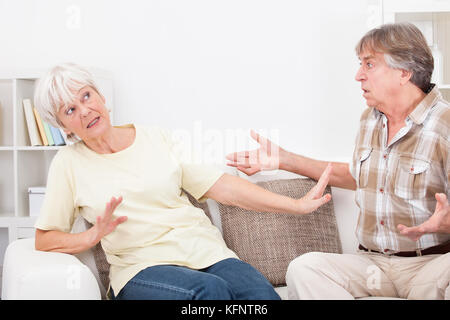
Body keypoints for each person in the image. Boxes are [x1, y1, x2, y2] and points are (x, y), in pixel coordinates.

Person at [33, 62, 333, 300]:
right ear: (63, 126)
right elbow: (44, 238)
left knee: (260, 297)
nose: (84, 110)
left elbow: (223, 187)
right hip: (142, 270)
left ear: (100, 95)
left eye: (86, 95)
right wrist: (91, 236)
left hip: (206, 253)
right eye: (70, 110)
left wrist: (296, 205)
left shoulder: (157, 138)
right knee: (210, 292)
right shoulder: (68, 164)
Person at [227, 23, 450, 300]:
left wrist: (446, 222)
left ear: (403, 73)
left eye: (369, 65)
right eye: (360, 64)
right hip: (371, 265)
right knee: (304, 269)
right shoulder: (370, 119)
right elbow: (357, 177)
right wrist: (284, 160)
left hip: (430, 266)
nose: (358, 76)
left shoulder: (445, 124)